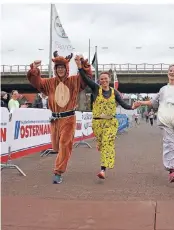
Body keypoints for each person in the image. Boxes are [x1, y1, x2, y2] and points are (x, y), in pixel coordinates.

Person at [27, 51, 92, 184]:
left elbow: (87, 78)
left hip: (68, 119)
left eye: (62, 67)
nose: (60, 69)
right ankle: (60, 163)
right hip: (55, 120)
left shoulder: (74, 81)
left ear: (66, 68)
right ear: (55, 69)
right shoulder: (49, 83)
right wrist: (34, 68)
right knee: (57, 147)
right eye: (58, 67)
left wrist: (82, 64)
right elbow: (37, 82)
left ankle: (58, 172)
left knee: (64, 145)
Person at [76, 56, 137, 180]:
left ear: (109, 80)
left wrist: (132, 107)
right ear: (99, 81)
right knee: (102, 143)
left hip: (110, 123)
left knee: (107, 143)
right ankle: (101, 144)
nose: (104, 80)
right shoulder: (95, 89)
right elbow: (86, 79)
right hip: (97, 124)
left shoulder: (114, 92)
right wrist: (79, 67)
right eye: (102, 79)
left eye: (106, 79)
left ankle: (103, 169)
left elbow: (123, 104)